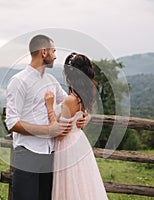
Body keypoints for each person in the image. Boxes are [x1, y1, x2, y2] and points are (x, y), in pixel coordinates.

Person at [5, 35, 87, 200]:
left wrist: (86, 116)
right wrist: (48, 130)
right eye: (53, 51)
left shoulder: (51, 80)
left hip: (50, 155)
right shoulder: (18, 81)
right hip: (27, 153)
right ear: (44, 52)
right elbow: (12, 123)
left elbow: (73, 103)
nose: (55, 56)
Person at [44, 53, 109, 200]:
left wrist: (49, 108)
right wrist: (87, 117)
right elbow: (83, 114)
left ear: (69, 75)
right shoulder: (85, 94)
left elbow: (61, 133)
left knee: (71, 187)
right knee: (83, 184)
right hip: (79, 142)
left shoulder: (70, 100)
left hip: (67, 146)